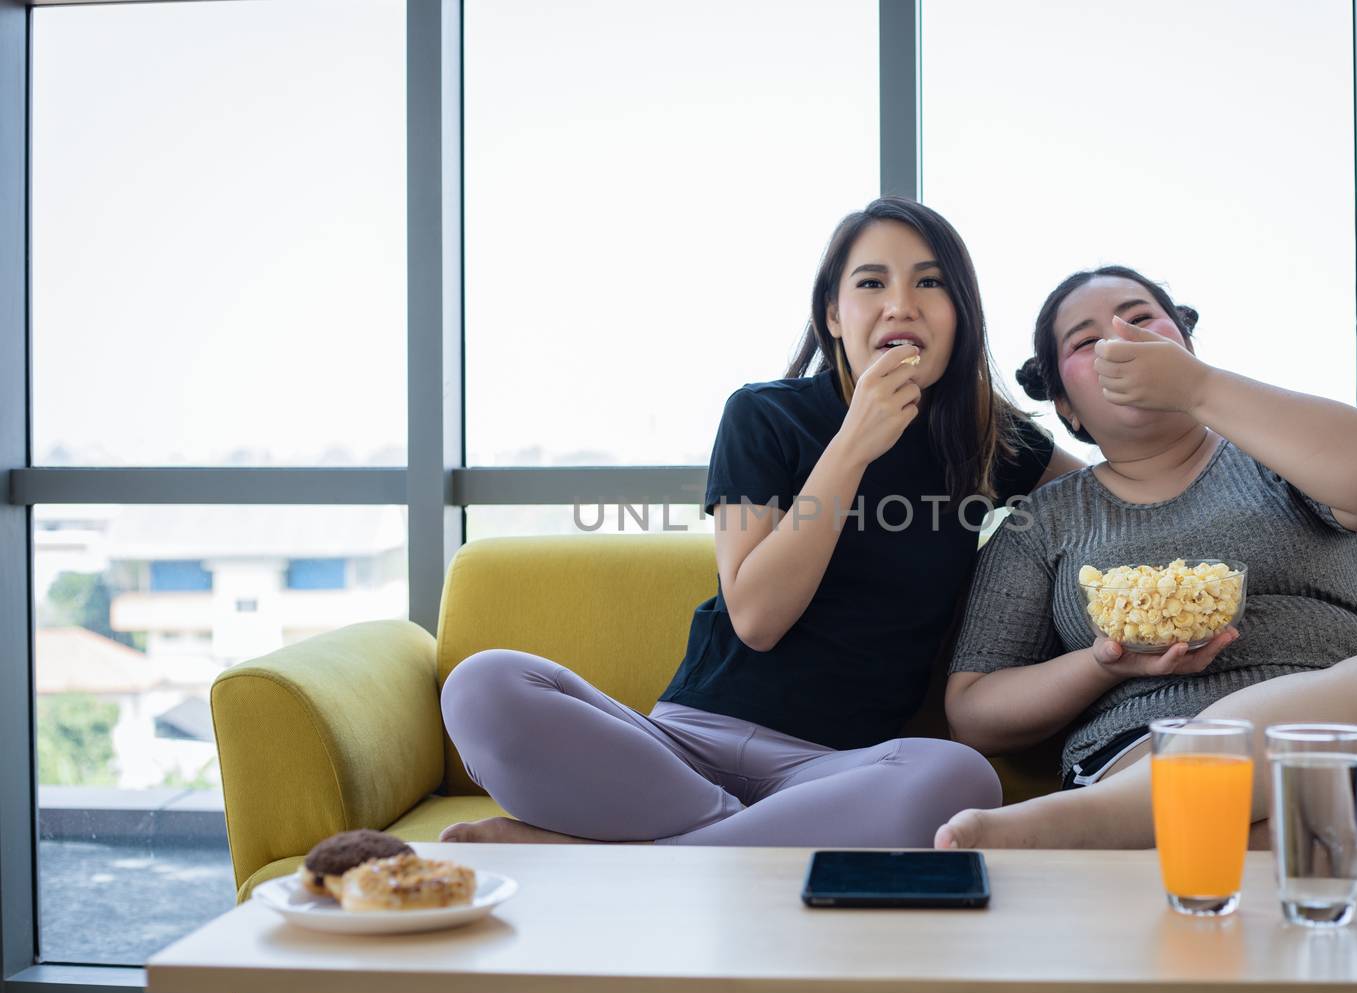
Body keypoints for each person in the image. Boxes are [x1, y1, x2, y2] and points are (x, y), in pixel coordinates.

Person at [438, 197, 1082, 848]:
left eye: (929, 281)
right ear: (833, 314)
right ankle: (727, 847)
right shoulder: (763, 415)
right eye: (870, 283)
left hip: (835, 773)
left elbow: (1107, 493)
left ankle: (622, 855)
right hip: (680, 744)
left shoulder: (989, 441)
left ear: (960, 313)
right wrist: (853, 443)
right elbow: (756, 618)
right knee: (482, 685)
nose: (901, 303)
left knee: (961, 775)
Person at [934, 266, 1357, 852]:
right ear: (1066, 406)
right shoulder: (1042, 523)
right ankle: (1114, 825)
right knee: (1273, 843)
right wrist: (1104, 664)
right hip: (1148, 761)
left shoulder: (1279, 456)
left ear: (1187, 347)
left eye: (1142, 319)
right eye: (1086, 341)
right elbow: (973, 712)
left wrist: (1199, 388)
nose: (1122, 341)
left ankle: (1080, 835)